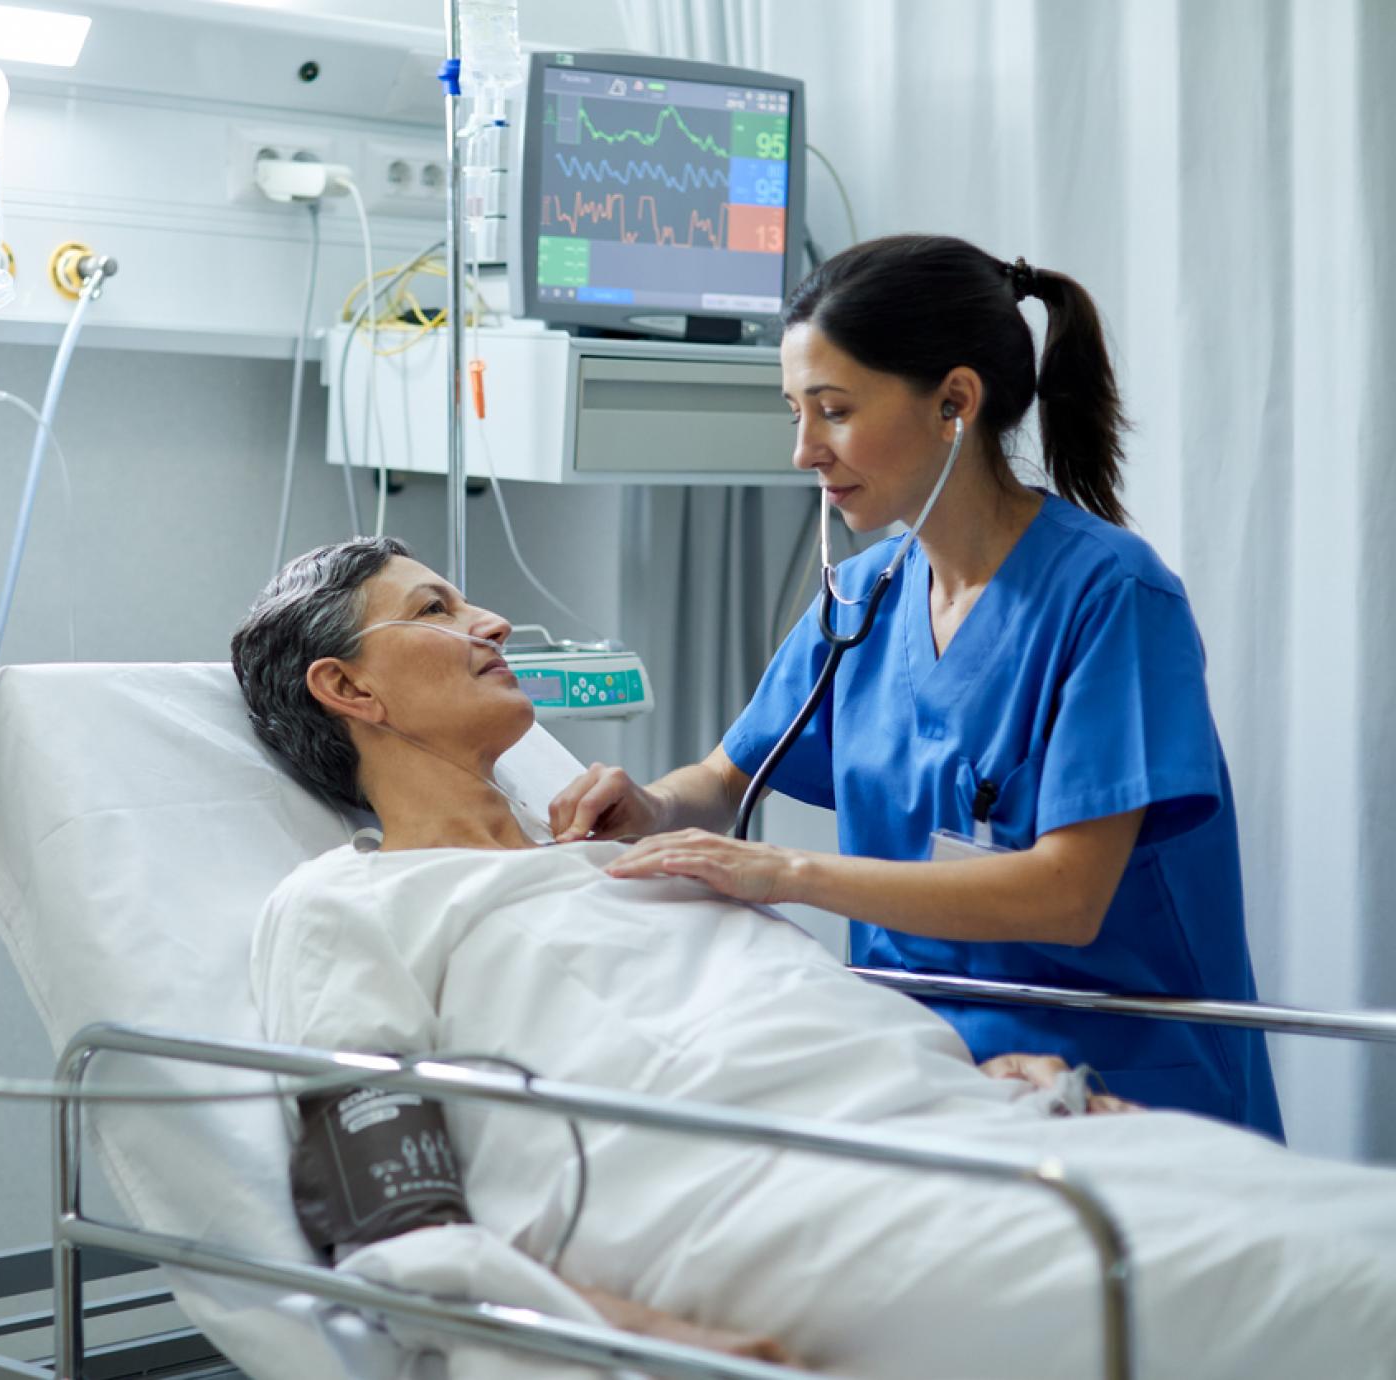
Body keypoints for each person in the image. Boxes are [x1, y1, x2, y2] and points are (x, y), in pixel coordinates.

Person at [229, 539, 1396, 1379]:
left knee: (1345, 1232)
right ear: (347, 689)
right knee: (1317, 1289)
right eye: (436, 609)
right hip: (761, 1194)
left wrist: (971, 1082)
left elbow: (777, 1012)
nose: (490, 624)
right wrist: (621, 1333)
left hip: (962, 1135)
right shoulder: (345, 902)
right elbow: (396, 1225)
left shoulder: (626, 858)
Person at [548, 235, 1280, 1135]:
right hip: (924, 1072)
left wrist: (786, 873)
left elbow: (1067, 893)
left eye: (835, 410)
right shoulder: (864, 595)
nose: (804, 452)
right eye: (795, 414)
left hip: (1120, 1088)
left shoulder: (1112, 599)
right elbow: (727, 779)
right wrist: (651, 807)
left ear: (954, 405)